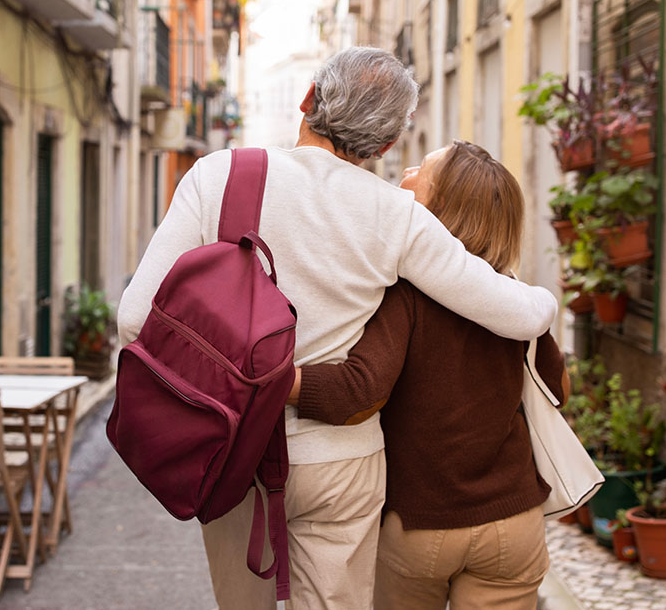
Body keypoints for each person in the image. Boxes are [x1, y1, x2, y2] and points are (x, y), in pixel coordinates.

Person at [117, 48, 558, 609]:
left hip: (231, 446)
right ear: (387, 145)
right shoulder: (398, 217)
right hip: (340, 461)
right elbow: (517, 314)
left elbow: (135, 319)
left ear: (307, 99)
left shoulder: (220, 175)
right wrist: (543, 299)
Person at [290, 140, 570, 610]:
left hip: (421, 524)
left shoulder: (405, 296)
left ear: (435, 208)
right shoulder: (514, 298)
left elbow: (358, 392)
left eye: (424, 169)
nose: (408, 171)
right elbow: (557, 389)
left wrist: (264, 380)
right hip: (515, 521)